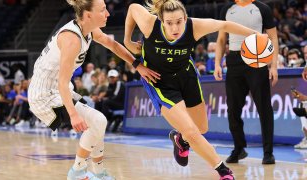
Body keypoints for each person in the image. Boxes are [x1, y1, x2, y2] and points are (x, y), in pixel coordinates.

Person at [124, 0, 258, 179]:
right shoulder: (149, 25)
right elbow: (133, 8)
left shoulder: (195, 26)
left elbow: (225, 24)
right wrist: (127, 39)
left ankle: (180, 139)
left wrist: (256, 34)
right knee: (192, 131)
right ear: (161, 21)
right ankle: (223, 171)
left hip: (186, 76)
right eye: (169, 23)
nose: (175, 28)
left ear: (185, 18)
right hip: (160, 82)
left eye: (179, 21)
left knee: (201, 128)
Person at [28, 0, 160, 179]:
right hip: (44, 94)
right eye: (103, 10)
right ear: (88, 15)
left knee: (97, 124)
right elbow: (61, 81)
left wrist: (137, 65)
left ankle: (98, 172)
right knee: (98, 121)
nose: (108, 14)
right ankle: (77, 172)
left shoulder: (87, 29)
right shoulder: (72, 39)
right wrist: (73, 114)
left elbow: (112, 45)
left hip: (59, 87)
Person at [214, 0, 279, 165]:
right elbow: (221, 40)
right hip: (234, 61)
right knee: (232, 109)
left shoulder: (262, 8)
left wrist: (274, 66)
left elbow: (273, 37)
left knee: (264, 108)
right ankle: (239, 148)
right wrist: (217, 64)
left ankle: (268, 152)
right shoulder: (227, 9)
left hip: (257, 61)